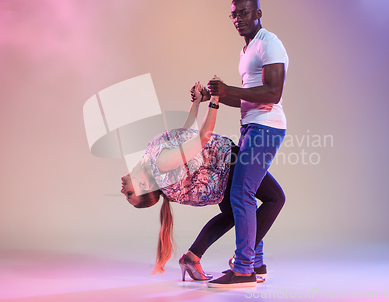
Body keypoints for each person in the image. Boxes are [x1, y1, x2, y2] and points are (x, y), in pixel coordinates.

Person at [120, 81, 285, 287]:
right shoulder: (161, 164)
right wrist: (214, 101)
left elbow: (183, 136)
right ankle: (245, 260)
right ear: (144, 186)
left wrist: (197, 103)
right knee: (275, 198)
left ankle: (194, 257)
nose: (122, 190)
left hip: (221, 172)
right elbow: (202, 138)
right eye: (128, 194)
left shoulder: (150, 159)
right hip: (228, 163)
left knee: (234, 214)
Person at [195, 0, 289, 288]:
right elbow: (248, 99)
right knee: (268, 196)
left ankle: (244, 269)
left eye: (245, 13)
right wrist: (217, 96)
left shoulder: (269, 43)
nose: (239, 20)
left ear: (258, 13)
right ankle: (257, 263)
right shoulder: (246, 50)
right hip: (251, 127)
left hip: (266, 129)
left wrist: (229, 88)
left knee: (240, 195)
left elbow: (273, 94)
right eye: (234, 15)